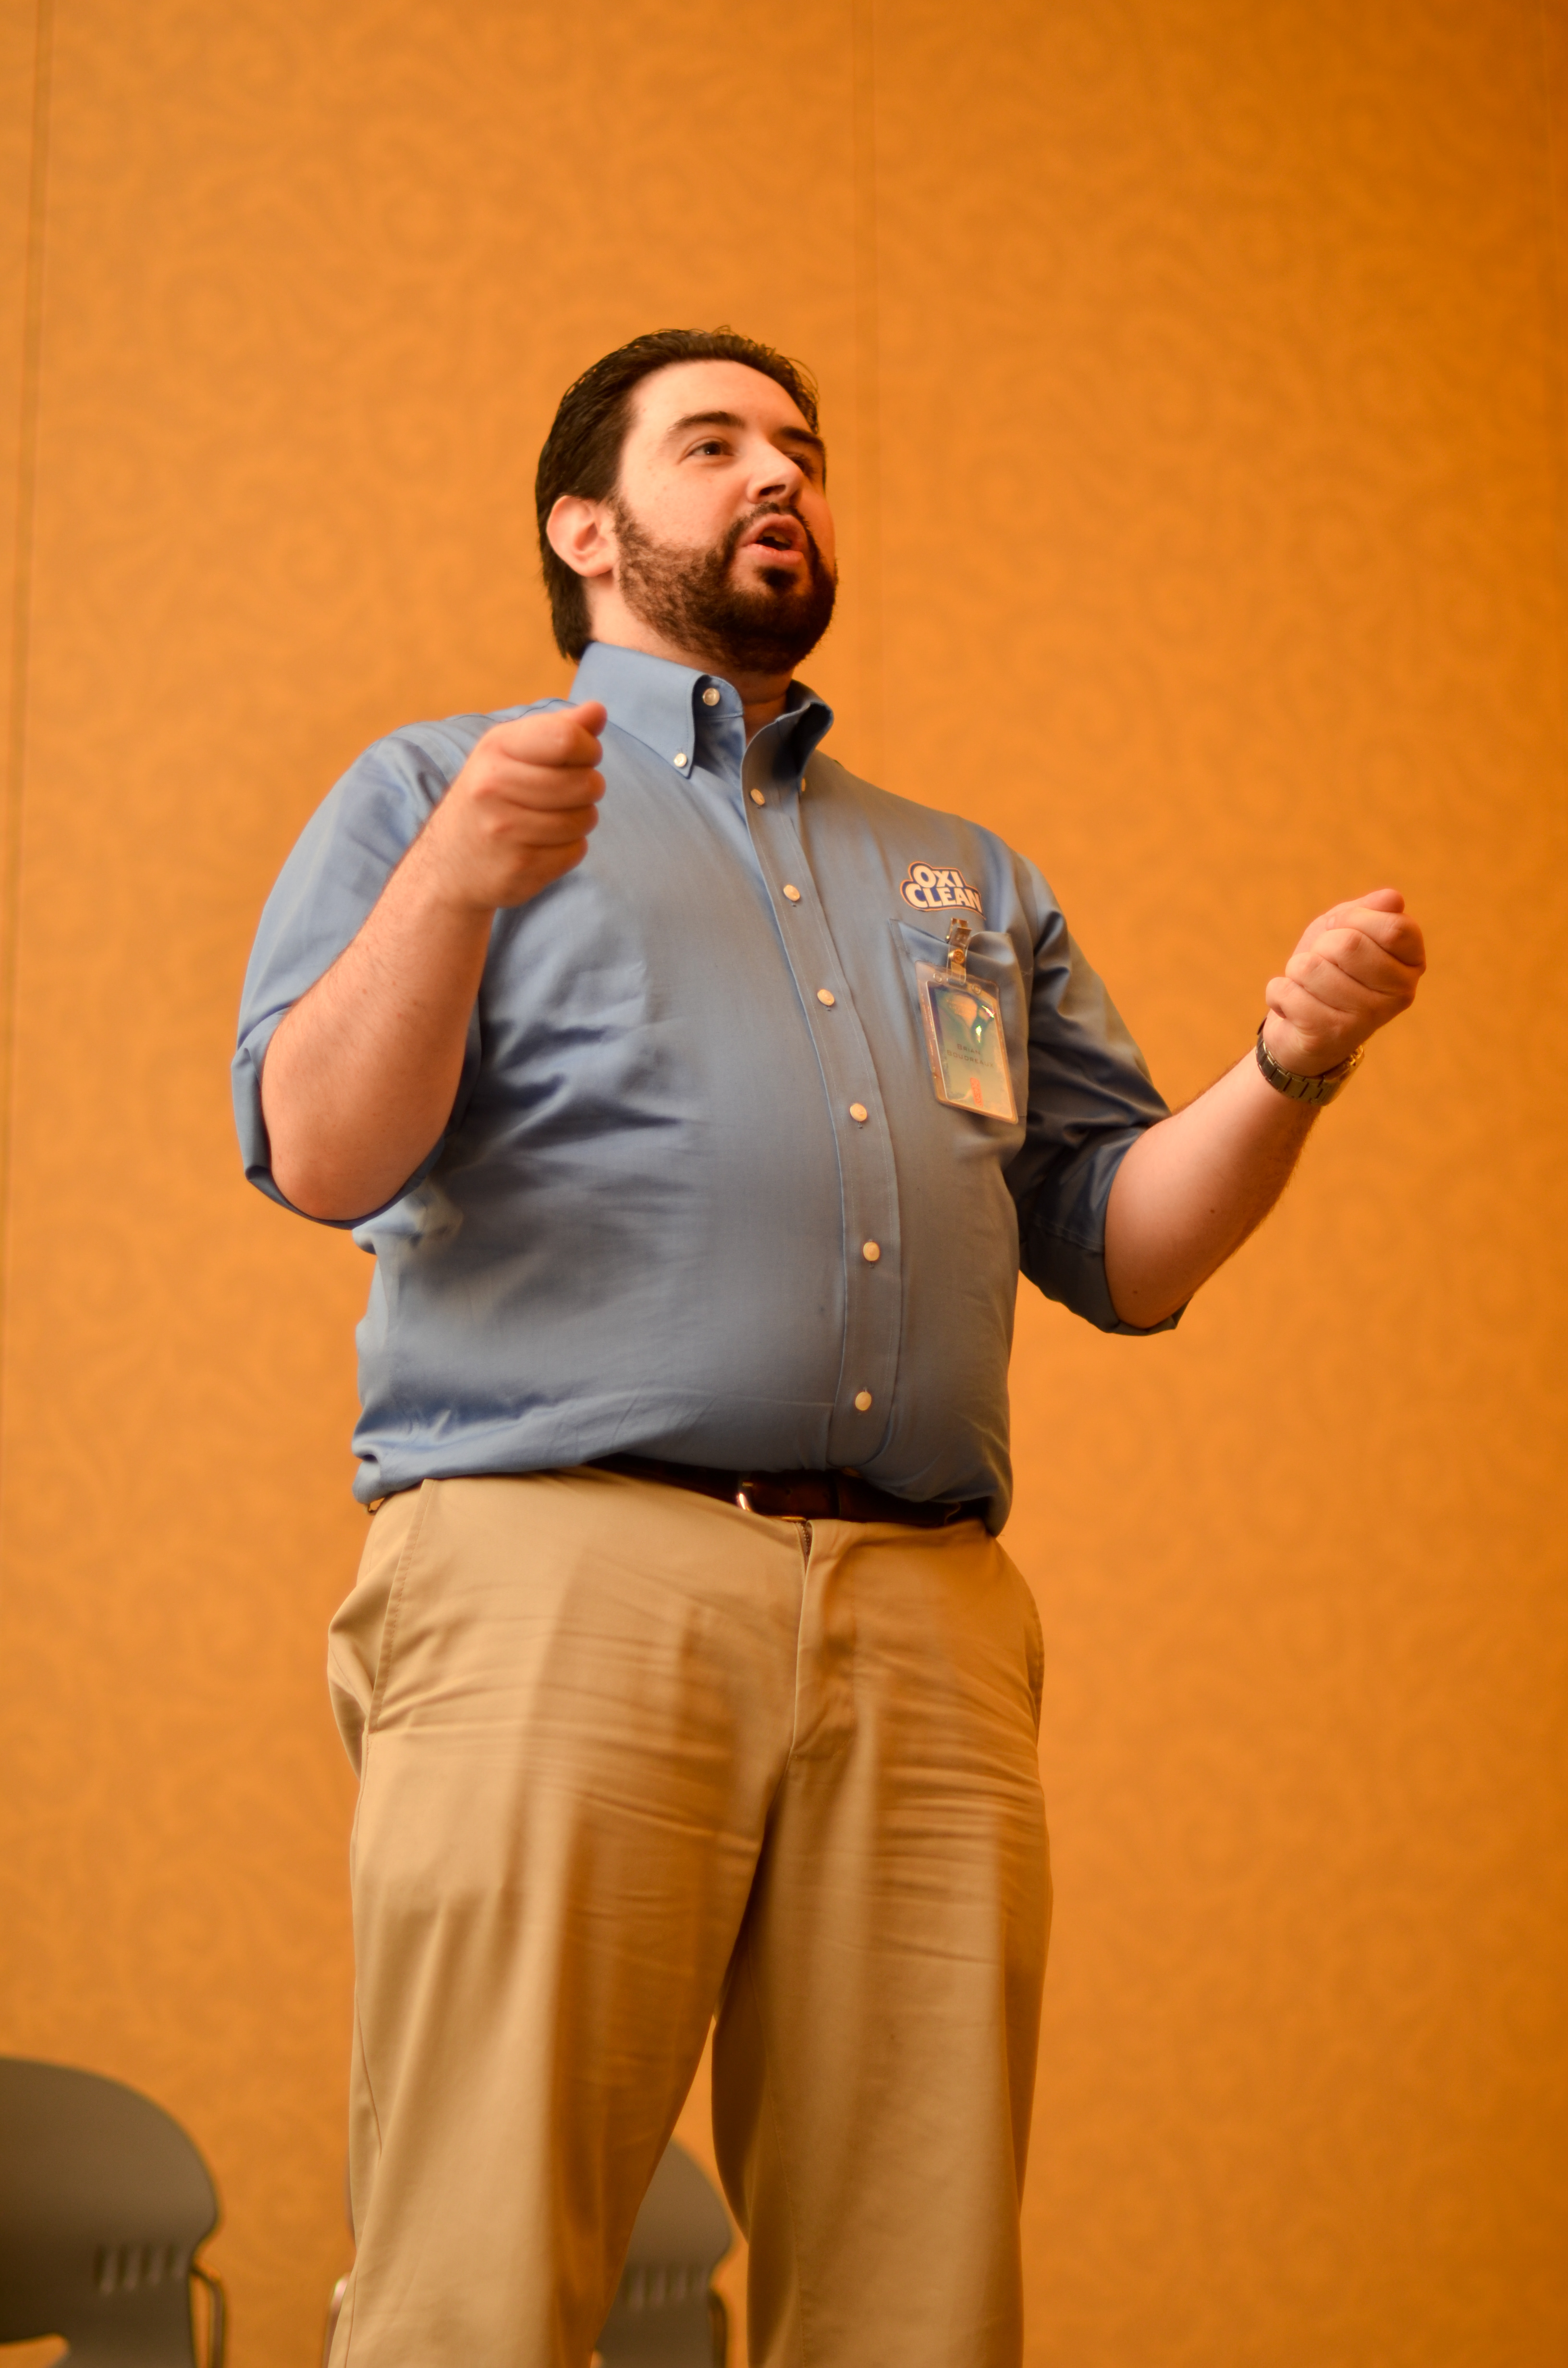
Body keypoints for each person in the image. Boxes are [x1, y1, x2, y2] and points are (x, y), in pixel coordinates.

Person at [233, 327, 1425, 2368]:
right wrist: (453, 885)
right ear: (584, 527)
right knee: (479, 2282)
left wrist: (1292, 1062)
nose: (779, 473)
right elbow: (324, 1151)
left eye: (801, 445)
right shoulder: (439, 790)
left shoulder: (963, 878)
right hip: (561, 1574)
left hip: (927, 1622)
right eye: (712, 444)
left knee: (916, 2303)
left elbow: (1121, 1250)